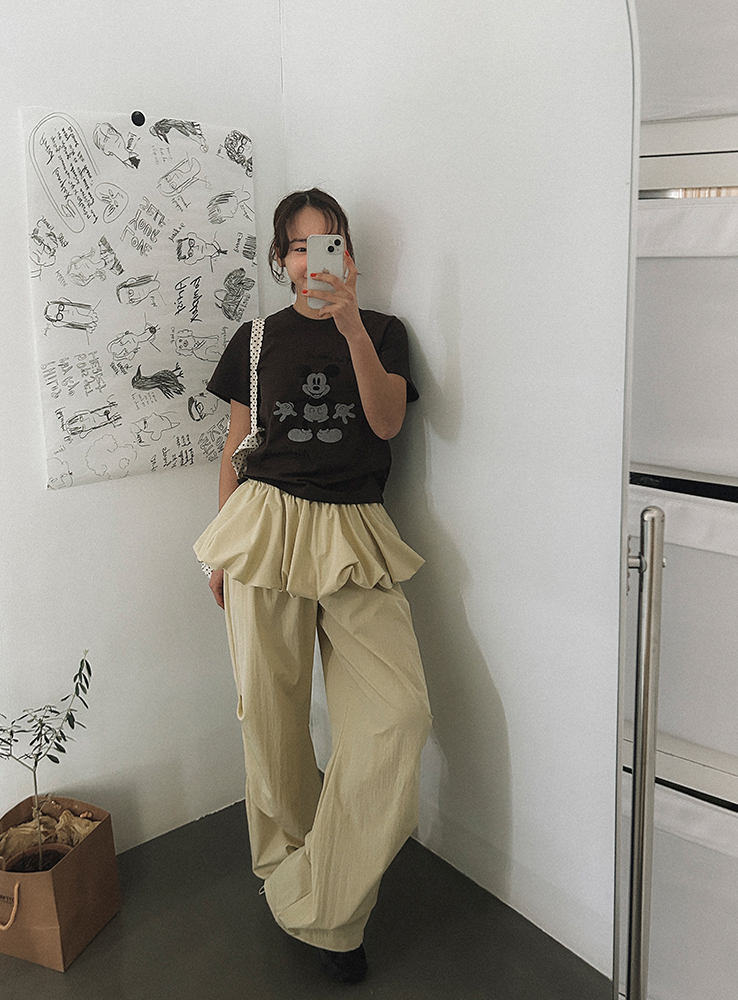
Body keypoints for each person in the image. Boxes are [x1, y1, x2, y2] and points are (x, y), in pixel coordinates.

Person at [194, 188, 432, 984]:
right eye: (300, 246)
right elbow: (236, 447)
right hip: (263, 530)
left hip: (355, 532)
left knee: (397, 717)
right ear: (279, 259)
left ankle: (318, 898)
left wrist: (352, 326)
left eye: (331, 242)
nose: (315, 257)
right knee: (271, 719)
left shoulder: (385, 331)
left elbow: (387, 422)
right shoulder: (256, 338)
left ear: (349, 256)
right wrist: (219, 553)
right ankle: (290, 868)